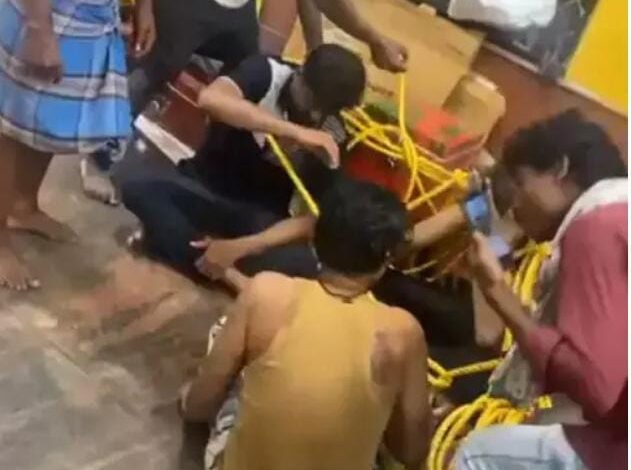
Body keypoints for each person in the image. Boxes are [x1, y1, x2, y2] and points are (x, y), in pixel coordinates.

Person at [180, 178, 431, 470]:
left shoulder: (266, 294)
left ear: (315, 241)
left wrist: (188, 399)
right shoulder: (403, 333)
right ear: (385, 258)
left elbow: (199, 406)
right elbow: (412, 452)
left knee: (224, 332)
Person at [81, 0, 409, 205]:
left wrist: (323, 50)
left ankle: (207, 170)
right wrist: (146, 6)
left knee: (244, 65)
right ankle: (98, 157)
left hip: (236, 10)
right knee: (156, 66)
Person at [455, 109, 627, 469]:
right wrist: (486, 236)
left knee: (477, 453)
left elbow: (598, 387)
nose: (516, 206)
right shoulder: (616, 215)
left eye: (520, 184)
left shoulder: (596, 228)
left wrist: (496, 290)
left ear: (560, 169)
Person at [120, 44, 366, 279]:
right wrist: (295, 132)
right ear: (300, 73)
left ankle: (203, 260)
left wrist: (242, 246)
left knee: (306, 265)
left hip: (256, 218)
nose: (314, 114)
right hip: (204, 187)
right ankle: (229, 275)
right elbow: (210, 99)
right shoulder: (267, 72)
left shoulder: (334, 132)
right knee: (138, 189)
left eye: (325, 108)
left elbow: (316, 218)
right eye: (312, 100)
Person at [0, 0, 153, 290]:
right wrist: (39, 30)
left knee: (52, 114)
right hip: (42, 13)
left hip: (91, 15)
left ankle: (23, 205)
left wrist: (145, 7)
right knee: (8, 123)